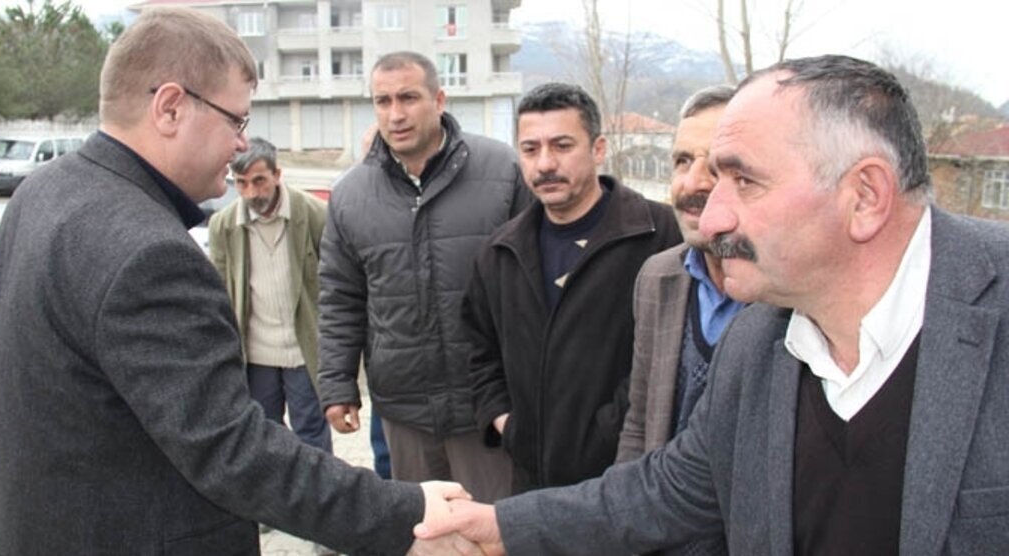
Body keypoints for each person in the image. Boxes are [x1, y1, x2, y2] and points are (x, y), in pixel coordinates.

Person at [417, 54, 1009, 554]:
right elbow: (672, 489)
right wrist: (502, 526)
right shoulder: (756, 342)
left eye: (744, 181)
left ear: (865, 195)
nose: (714, 214)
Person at [0, 8, 477, 555]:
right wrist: (403, 512)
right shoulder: (148, 253)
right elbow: (232, 449)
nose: (242, 145)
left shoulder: (42, 192)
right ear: (171, 107)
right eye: (236, 121)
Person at [317, 51, 530, 504]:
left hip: (487, 404)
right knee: (423, 533)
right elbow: (340, 296)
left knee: (494, 532)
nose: (395, 115)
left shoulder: (502, 170)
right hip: (404, 410)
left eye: (409, 98)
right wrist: (337, 385)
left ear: (438, 98)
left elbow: (533, 281)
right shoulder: (350, 195)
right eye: (383, 101)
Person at [461, 82, 682, 493]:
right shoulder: (500, 252)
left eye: (562, 145)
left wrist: (609, 431)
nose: (545, 163)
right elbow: (479, 351)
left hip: (632, 480)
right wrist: (508, 423)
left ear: (598, 149)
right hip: (533, 483)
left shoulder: (660, 235)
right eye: (530, 149)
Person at [615, 85, 739, 556]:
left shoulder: (789, 295)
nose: (694, 182)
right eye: (682, 161)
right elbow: (640, 419)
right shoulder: (658, 277)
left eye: (720, 165)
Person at [208, 137, 332, 454]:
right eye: (242, 184)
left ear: (278, 175)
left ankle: (318, 502)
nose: (251, 193)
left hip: (303, 350)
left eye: (259, 181)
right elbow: (220, 292)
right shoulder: (224, 225)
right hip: (256, 355)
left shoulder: (315, 215)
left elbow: (337, 283)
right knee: (265, 439)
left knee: (311, 437)